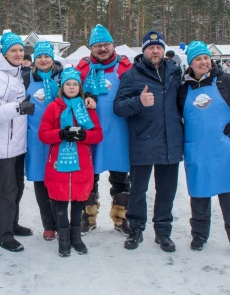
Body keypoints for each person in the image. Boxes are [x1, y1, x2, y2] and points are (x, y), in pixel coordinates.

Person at [178, 41, 230, 262]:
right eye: (198, 59)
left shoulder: (226, 81)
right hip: (197, 150)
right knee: (199, 196)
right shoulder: (183, 88)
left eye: (206, 57)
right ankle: (199, 235)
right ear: (191, 64)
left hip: (224, 149)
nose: (204, 62)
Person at [113, 31, 183, 252]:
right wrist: (139, 101)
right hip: (143, 140)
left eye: (159, 47)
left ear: (163, 49)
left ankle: (163, 231)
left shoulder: (175, 73)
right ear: (143, 50)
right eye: (151, 47)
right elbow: (118, 107)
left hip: (170, 141)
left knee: (166, 190)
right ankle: (136, 229)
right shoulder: (131, 76)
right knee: (138, 190)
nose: (155, 51)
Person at [38, 68, 103, 256]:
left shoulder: (86, 108)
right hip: (58, 162)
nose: (72, 87)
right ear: (62, 87)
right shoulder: (53, 107)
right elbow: (42, 134)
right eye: (68, 84)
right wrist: (60, 134)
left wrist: (85, 135)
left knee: (77, 200)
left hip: (81, 163)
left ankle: (76, 237)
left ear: (80, 87)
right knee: (59, 200)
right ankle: (63, 238)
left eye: (75, 84)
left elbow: (98, 134)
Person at [75, 24, 132, 235]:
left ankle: (121, 218)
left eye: (106, 44)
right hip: (90, 133)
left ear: (113, 45)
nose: (102, 49)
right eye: (97, 45)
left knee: (120, 177)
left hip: (119, 132)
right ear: (91, 48)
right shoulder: (82, 69)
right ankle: (87, 217)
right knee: (89, 177)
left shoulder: (126, 67)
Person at [0, 31, 35, 252]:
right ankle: (3, 235)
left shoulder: (15, 75)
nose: (18, 53)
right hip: (4, 146)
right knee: (7, 190)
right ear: (3, 53)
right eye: (13, 50)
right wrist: (18, 107)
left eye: (20, 50)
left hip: (17, 144)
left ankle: (11, 225)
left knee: (17, 187)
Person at [23, 41, 63, 241]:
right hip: (35, 139)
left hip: (59, 137)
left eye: (47, 56)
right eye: (39, 56)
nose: (43, 60)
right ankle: (48, 225)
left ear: (52, 58)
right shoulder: (25, 78)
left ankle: (62, 222)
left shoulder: (63, 77)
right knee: (40, 181)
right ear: (34, 60)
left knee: (59, 179)